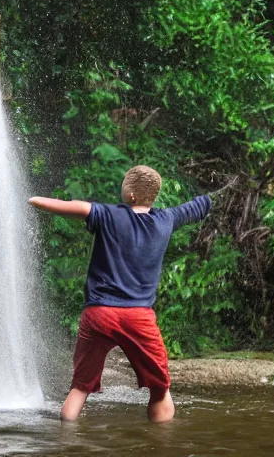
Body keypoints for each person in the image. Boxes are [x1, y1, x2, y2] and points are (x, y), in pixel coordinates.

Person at [29, 165, 211, 422]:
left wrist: (36, 201)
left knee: (80, 386)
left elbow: (74, 207)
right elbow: (194, 208)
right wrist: (209, 200)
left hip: (99, 314)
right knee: (160, 389)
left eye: (124, 183)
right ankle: (162, 444)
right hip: (138, 317)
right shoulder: (166, 219)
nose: (121, 186)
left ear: (132, 194)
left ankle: (66, 439)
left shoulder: (108, 215)